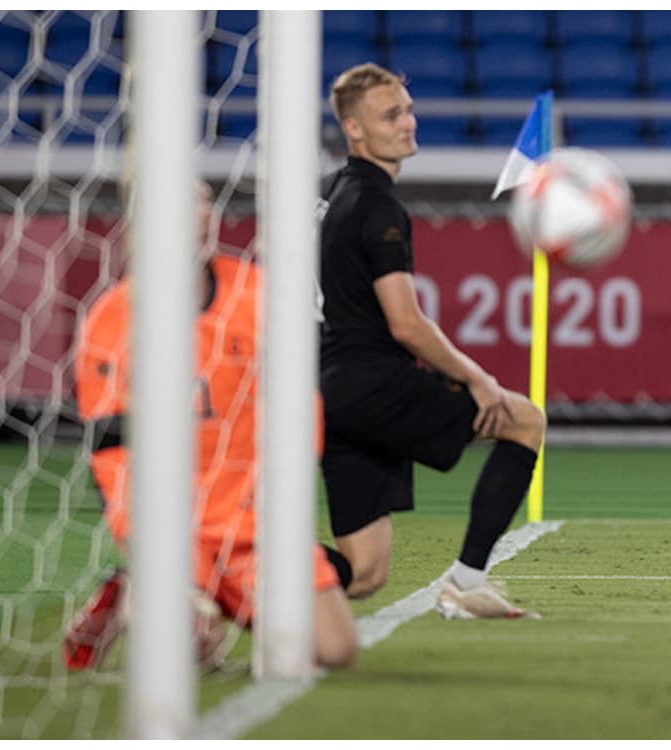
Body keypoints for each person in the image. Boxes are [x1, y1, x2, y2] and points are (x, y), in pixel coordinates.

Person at [64, 182, 358, 670]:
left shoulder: (260, 295)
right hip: (171, 530)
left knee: (334, 649)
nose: (199, 214)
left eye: (204, 204)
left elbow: (303, 415)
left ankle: (167, 599)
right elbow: (111, 459)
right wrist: (144, 541)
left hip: (253, 527)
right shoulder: (111, 319)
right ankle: (143, 588)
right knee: (183, 655)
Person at [318, 63, 546, 619]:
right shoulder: (377, 206)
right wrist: (478, 379)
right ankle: (465, 581)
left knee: (364, 570)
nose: (408, 123)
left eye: (408, 110)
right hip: (370, 384)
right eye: (390, 115)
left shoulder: (333, 195)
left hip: (332, 391)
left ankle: (216, 571)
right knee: (523, 419)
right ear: (354, 129)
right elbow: (406, 323)